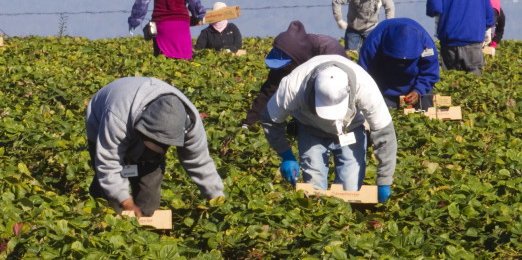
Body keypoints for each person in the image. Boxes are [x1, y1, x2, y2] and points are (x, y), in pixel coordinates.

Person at [260, 54, 397, 203]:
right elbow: (270, 120)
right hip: (310, 128)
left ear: (349, 88)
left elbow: (385, 135)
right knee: (313, 189)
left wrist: (384, 180)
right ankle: (316, 220)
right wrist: (286, 154)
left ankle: (345, 220)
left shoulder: (364, 85)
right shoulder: (294, 85)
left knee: (350, 190)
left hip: (350, 129)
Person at [86, 77, 225, 217]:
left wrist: (216, 197)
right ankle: (99, 203)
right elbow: (109, 162)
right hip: (102, 119)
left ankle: (143, 223)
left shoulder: (191, 124)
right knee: (112, 205)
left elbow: (199, 162)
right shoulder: (117, 115)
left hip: (132, 117)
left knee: (149, 203)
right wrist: (125, 202)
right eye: (150, 142)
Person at [242, 20, 348, 127]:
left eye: (286, 65)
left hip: (334, 100)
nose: (283, 68)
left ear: (295, 58)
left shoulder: (328, 50)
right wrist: (249, 122)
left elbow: (342, 88)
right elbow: (268, 92)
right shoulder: (284, 54)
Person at [358, 18, 440, 111]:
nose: (402, 64)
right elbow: (364, 74)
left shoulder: (426, 45)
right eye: (396, 60)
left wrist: (418, 90)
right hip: (384, 86)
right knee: (384, 119)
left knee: (426, 112)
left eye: (407, 61)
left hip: (416, 82)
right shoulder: (373, 42)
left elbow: (430, 72)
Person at [426, 0, 495, 76]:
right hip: (473, 39)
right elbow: (489, 13)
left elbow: (434, 8)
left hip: (450, 40)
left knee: (452, 79)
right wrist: (487, 30)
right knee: (475, 79)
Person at [128, 0, 206, 59]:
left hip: (162, 22)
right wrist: (200, 14)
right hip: (181, 23)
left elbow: (142, 2)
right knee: (184, 59)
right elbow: (194, 2)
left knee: (162, 60)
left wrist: (135, 21)